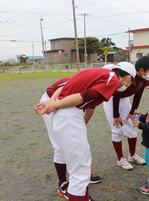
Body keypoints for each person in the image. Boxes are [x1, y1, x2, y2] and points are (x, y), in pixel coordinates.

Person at [34, 62, 136, 201]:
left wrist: (52, 102)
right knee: (80, 171)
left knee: (81, 165)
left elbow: (66, 89)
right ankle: (72, 192)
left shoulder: (97, 73)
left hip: (65, 114)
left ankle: (82, 196)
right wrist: (52, 104)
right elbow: (81, 98)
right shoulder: (111, 78)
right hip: (69, 113)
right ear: (128, 78)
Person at [38, 76, 101, 199]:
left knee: (77, 142)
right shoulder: (93, 82)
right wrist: (52, 103)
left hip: (66, 102)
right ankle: (63, 184)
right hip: (52, 100)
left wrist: (81, 129)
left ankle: (81, 174)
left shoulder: (99, 83)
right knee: (59, 145)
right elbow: (62, 89)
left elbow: (90, 108)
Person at [103, 56, 149, 170]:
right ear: (142, 70)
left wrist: (132, 112)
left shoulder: (144, 79)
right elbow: (116, 95)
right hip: (112, 100)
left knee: (131, 127)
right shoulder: (129, 77)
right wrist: (116, 115)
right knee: (117, 129)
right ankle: (120, 159)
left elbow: (138, 94)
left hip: (124, 100)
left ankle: (132, 155)